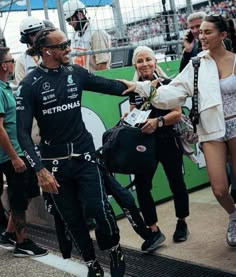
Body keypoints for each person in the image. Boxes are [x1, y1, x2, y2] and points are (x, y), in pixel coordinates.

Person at [15, 27, 128, 277]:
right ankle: (91, 263)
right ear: (46, 51)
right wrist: (39, 170)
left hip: (85, 156)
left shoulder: (75, 72)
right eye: (63, 45)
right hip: (53, 165)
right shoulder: (29, 85)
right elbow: (22, 133)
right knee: (73, 220)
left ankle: (114, 249)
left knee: (98, 209)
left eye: (67, 43)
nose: (68, 49)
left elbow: (109, 85)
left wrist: (139, 86)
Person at [121, 15, 236, 247]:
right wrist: (141, 87)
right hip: (211, 129)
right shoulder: (197, 64)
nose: (201, 36)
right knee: (220, 189)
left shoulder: (235, 60)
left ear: (223, 35)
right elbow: (171, 93)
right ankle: (234, 216)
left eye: (207, 32)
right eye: (199, 32)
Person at [128, 46, 189, 250]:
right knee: (143, 187)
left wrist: (158, 122)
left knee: (176, 182)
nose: (144, 64)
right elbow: (133, 113)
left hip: (167, 139)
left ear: (155, 62)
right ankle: (153, 230)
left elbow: (177, 114)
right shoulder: (134, 88)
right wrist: (128, 119)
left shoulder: (167, 83)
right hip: (144, 144)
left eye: (148, 59)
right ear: (135, 65)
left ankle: (182, 222)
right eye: (140, 61)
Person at [0, 46, 48, 257]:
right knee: (19, 197)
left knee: (28, 192)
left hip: (20, 152)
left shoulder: (5, 87)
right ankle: (22, 242)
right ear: (4, 65)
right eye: (11, 60)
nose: (13, 63)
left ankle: (9, 233)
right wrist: (13, 157)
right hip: (12, 156)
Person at [63, 0, 111, 72]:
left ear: (79, 15)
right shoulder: (76, 34)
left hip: (93, 80)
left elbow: (102, 64)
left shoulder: (96, 33)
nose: (69, 23)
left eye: (69, 19)